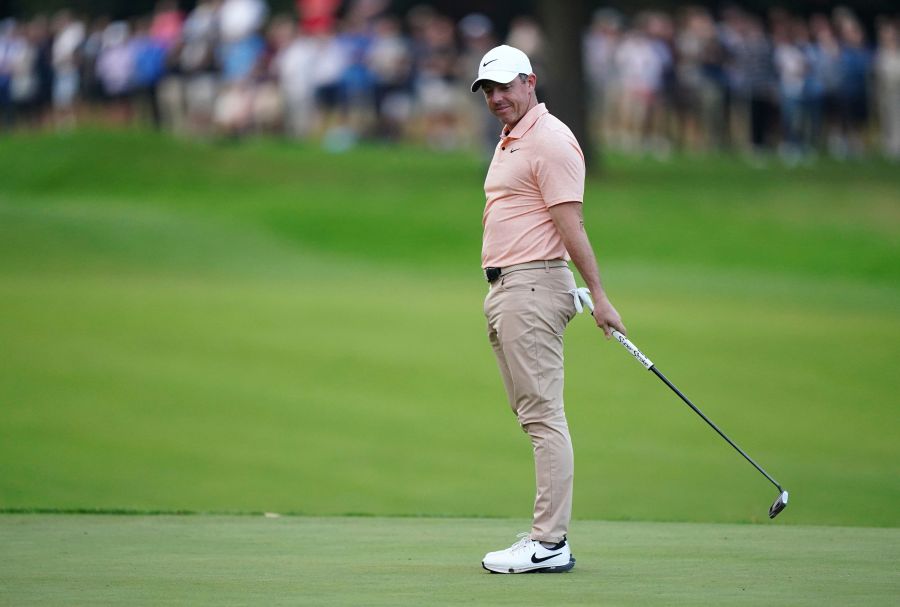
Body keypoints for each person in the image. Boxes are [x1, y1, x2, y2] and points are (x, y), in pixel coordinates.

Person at [471, 44, 625, 574]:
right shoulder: (513, 139)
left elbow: (570, 223)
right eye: (488, 90)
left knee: (543, 417)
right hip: (513, 288)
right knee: (532, 414)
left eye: (504, 86)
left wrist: (597, 293)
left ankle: (549, 542)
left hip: (530, 288)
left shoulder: (551, 140)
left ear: (530, 82)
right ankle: (547, 537)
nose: (496, 97)